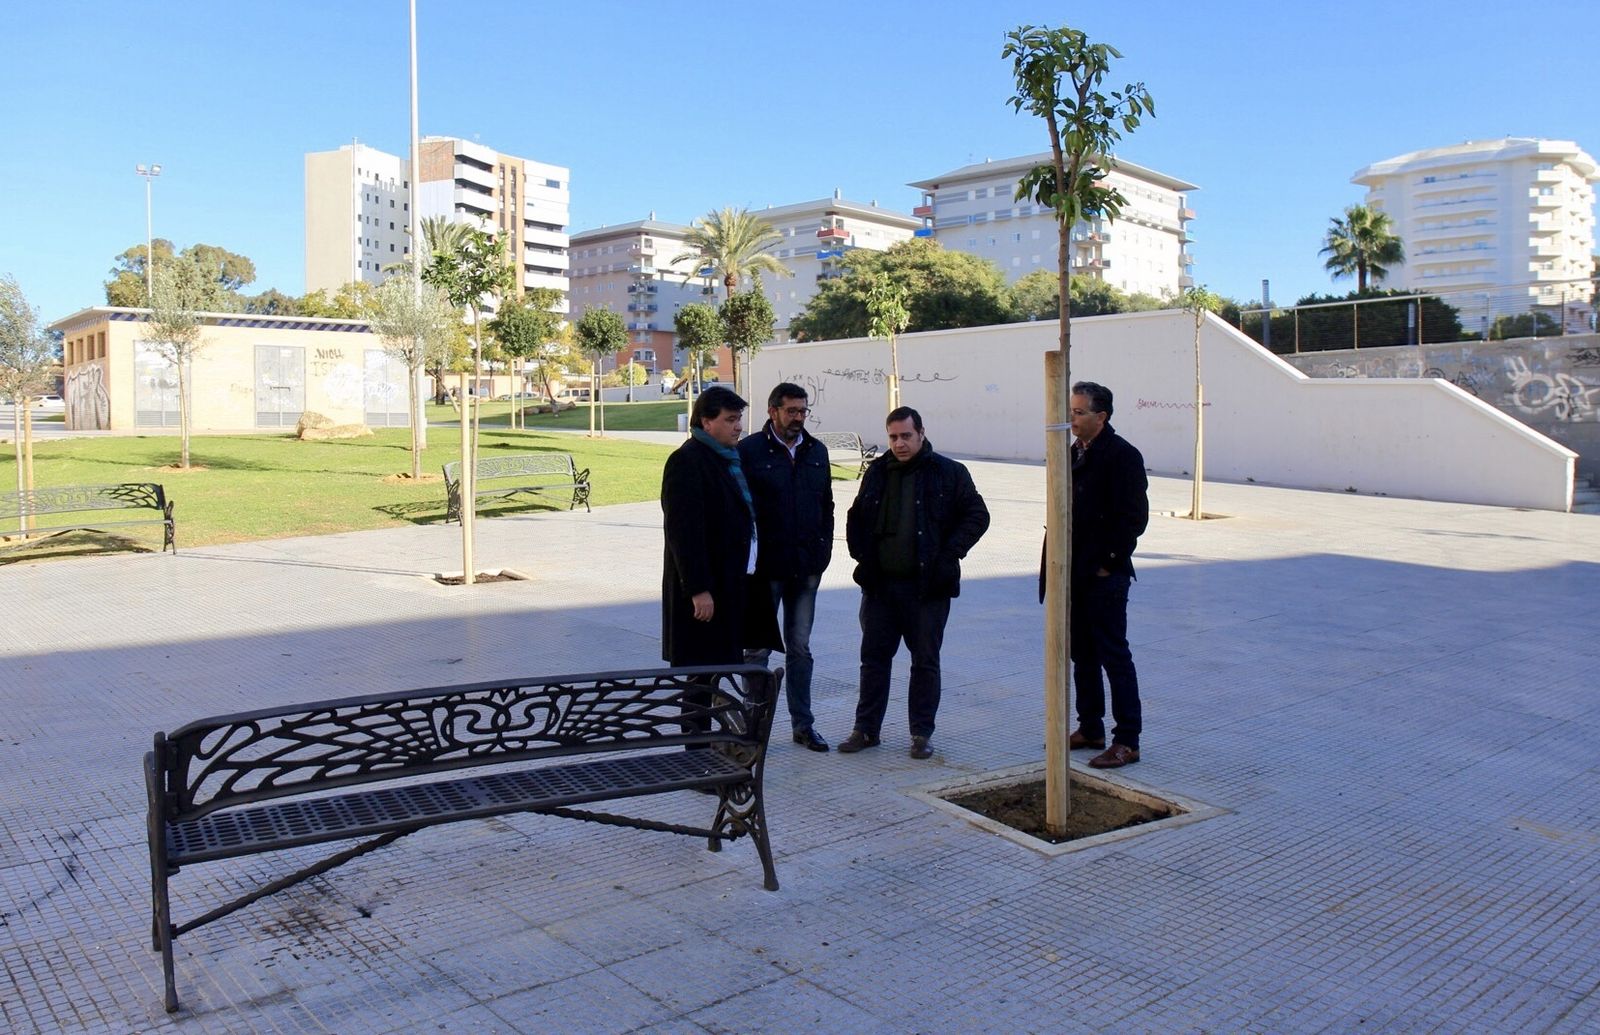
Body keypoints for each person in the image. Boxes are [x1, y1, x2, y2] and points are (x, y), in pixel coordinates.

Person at [839, 406, 990, 759]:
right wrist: (863, 557)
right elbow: (857, 516)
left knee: (925, 661)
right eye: (893, 437)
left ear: (921, 433)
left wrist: (950, 553)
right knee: (873, 660)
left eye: (906, 436)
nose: (900, 443)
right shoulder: (877, 472)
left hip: (927, 588)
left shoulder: (949, 473)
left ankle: (921, 733)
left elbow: (977, 515)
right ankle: (866, 730)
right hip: (880, 588)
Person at [739, 382, 834, 752]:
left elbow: (826, 504)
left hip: (807, 567)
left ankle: (803, 725)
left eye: (803, 411)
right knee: (757, 652)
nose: (798, 418)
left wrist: (823, 551)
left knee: (800, 648)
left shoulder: (816, 451)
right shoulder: (749, 451)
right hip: (765, 571)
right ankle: (752, 729)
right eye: (791, 411)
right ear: (772, 411)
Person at [661, 385, 779, 675]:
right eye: (730, 419)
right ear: (706, 421)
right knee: (699, 681)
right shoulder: (687, 461)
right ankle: (697, 724)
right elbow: (683, 534)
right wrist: (699, 590)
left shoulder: (727, 458)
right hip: (704, 594)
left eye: (739, 418)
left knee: (718, 670)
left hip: (731, 585)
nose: (738, 426)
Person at [1063, 380, 1150, 769]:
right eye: (1071, 411)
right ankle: (1091, 727)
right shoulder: (1073, 452)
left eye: (1080, 412)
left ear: (1102, 416)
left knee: (1114, 655)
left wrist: (1107, 562)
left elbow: (1133, 518)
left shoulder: (1122, 456)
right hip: (1074, 571)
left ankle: (1127, 740)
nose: (1072, 418)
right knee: (1082, 653)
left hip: (1104, 575)